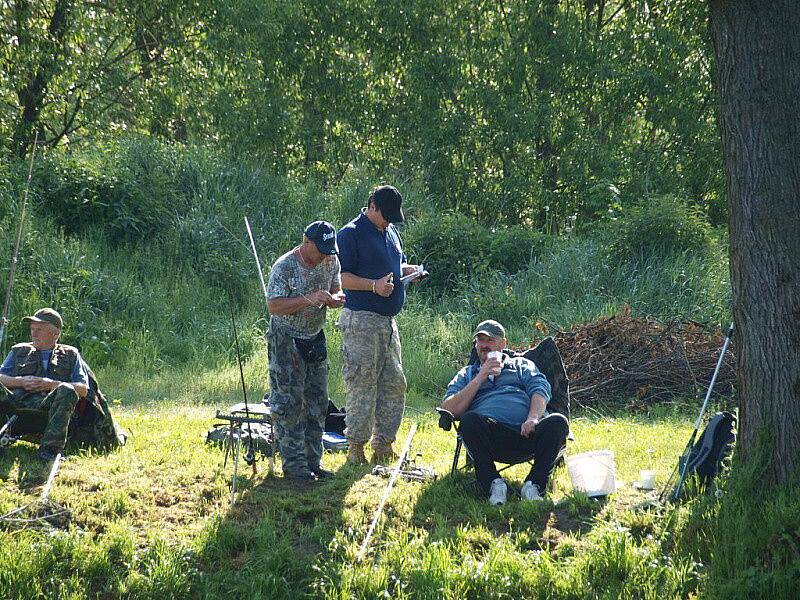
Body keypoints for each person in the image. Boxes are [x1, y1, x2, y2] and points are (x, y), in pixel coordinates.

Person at [336, 185, 423, 465]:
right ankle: (355, 448)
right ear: (371, 206)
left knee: (394, 383)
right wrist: (373, 286)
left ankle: (383, 444)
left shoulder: (390, 232)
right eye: (385, 216)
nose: (388, 222)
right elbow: (341, 278)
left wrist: (410, 272)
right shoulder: (350, 234)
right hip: (361, 320)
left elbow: (396, 265)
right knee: (362, 383)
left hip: (388, 322)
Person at [441, 319, 569, 505]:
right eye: (480, 341)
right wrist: (480, 376)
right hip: (490, 437)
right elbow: (449, 409)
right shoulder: (467, 374)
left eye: (490, 340)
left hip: (526, 433)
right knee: (469, 420)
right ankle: (494, 483)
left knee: (557, 422)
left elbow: (540, 389)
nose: (484, 346)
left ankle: (534, 485)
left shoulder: (521, 365)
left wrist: (533, 418)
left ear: (503, 344)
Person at [266, 220, 345, 481]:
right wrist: (308, 299)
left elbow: (337, 287)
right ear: (306, 241)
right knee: (289, 402)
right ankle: (294, 464)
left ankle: (314, 461)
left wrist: (336, 299)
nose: (323, 254)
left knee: (318, 400)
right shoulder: (285, 266)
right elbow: (274, 306)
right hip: (285, 338)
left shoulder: (331, 260)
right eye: (319, 248)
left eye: (328, 249)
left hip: (314, 336)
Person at [0, 308, 90, 461]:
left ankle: (50, 450)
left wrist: (51, 385)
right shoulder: (19, 350)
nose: (34, 333)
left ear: (56, 334)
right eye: (32, 329)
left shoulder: (70, 354)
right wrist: (20, 382)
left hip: (48, 409)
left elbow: (83, 389)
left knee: (67, 389)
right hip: (15, 405)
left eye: (39, 329)